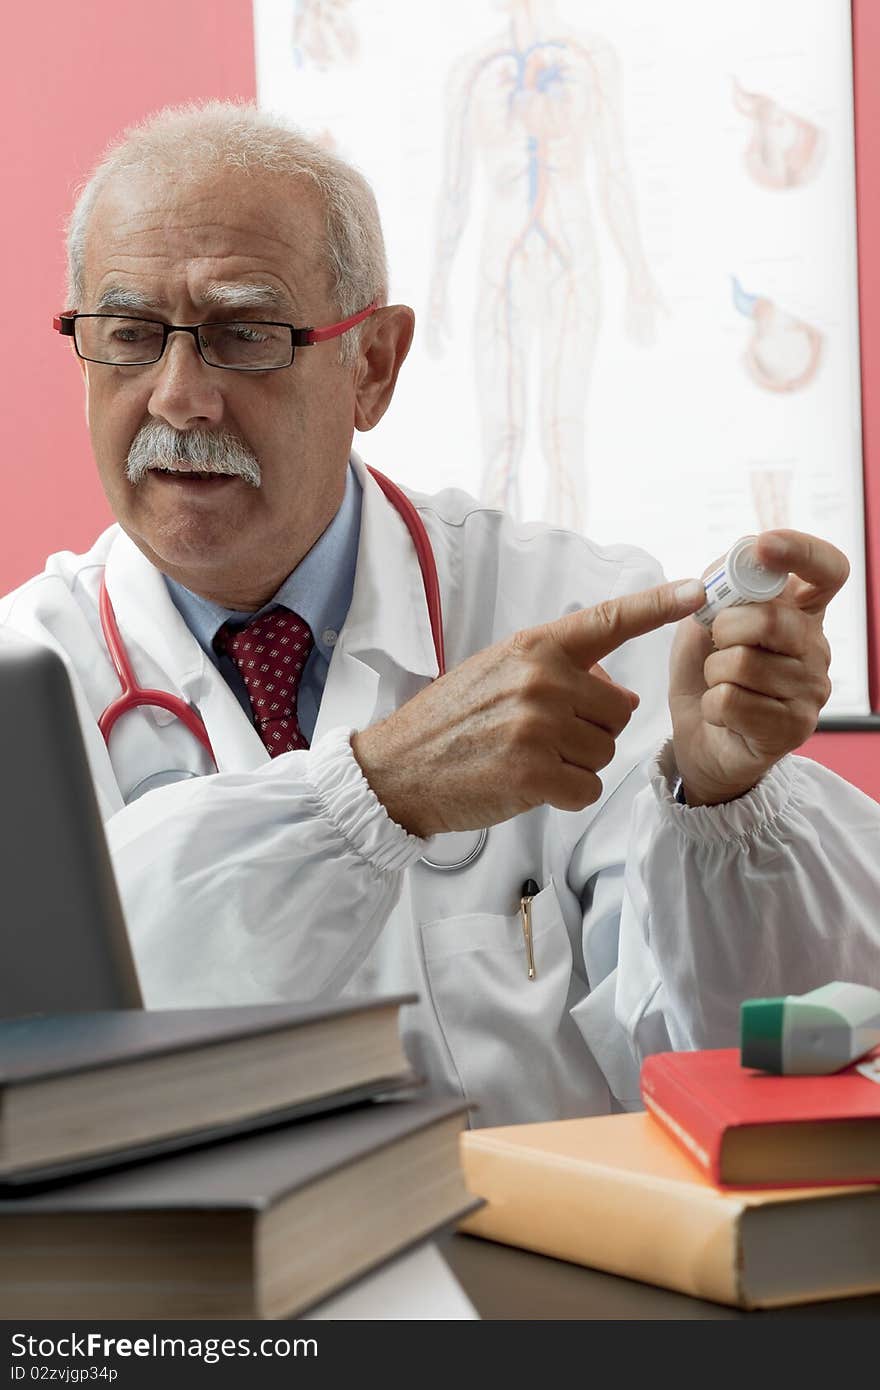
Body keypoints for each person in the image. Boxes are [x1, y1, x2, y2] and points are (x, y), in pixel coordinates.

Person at [2, 102, 878, 1129]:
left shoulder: (577, 613)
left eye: (244, 333)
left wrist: (724, 803)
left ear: (370, 364)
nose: (179, 395)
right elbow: (47, 1041)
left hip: (552, 1272)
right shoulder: (27, 666)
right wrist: (376, 789)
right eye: (130, 335)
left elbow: (741, 1052)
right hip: (197, 1286)